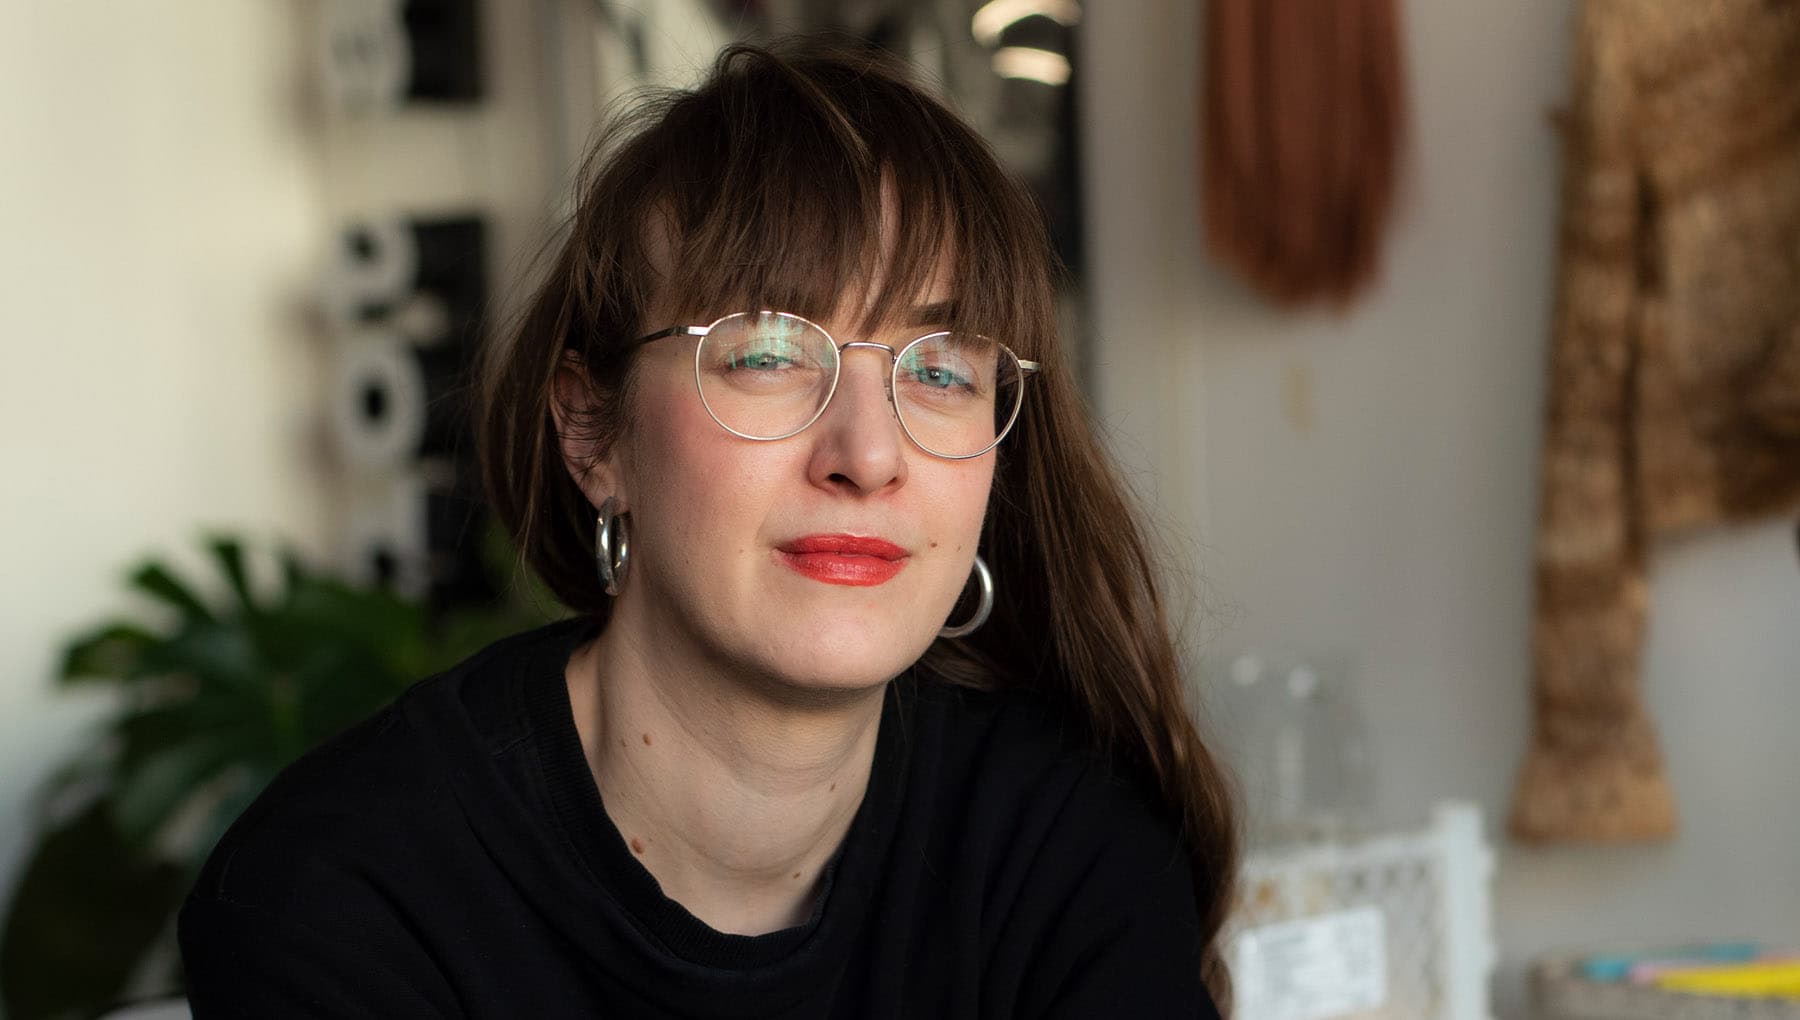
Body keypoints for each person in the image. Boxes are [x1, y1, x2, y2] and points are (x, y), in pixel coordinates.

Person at [177, 39, 1237, 1018]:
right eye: (768, 353)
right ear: (593, 433)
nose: (869, 455)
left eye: (942, 368)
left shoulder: (1063, 844)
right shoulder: (344, 899)